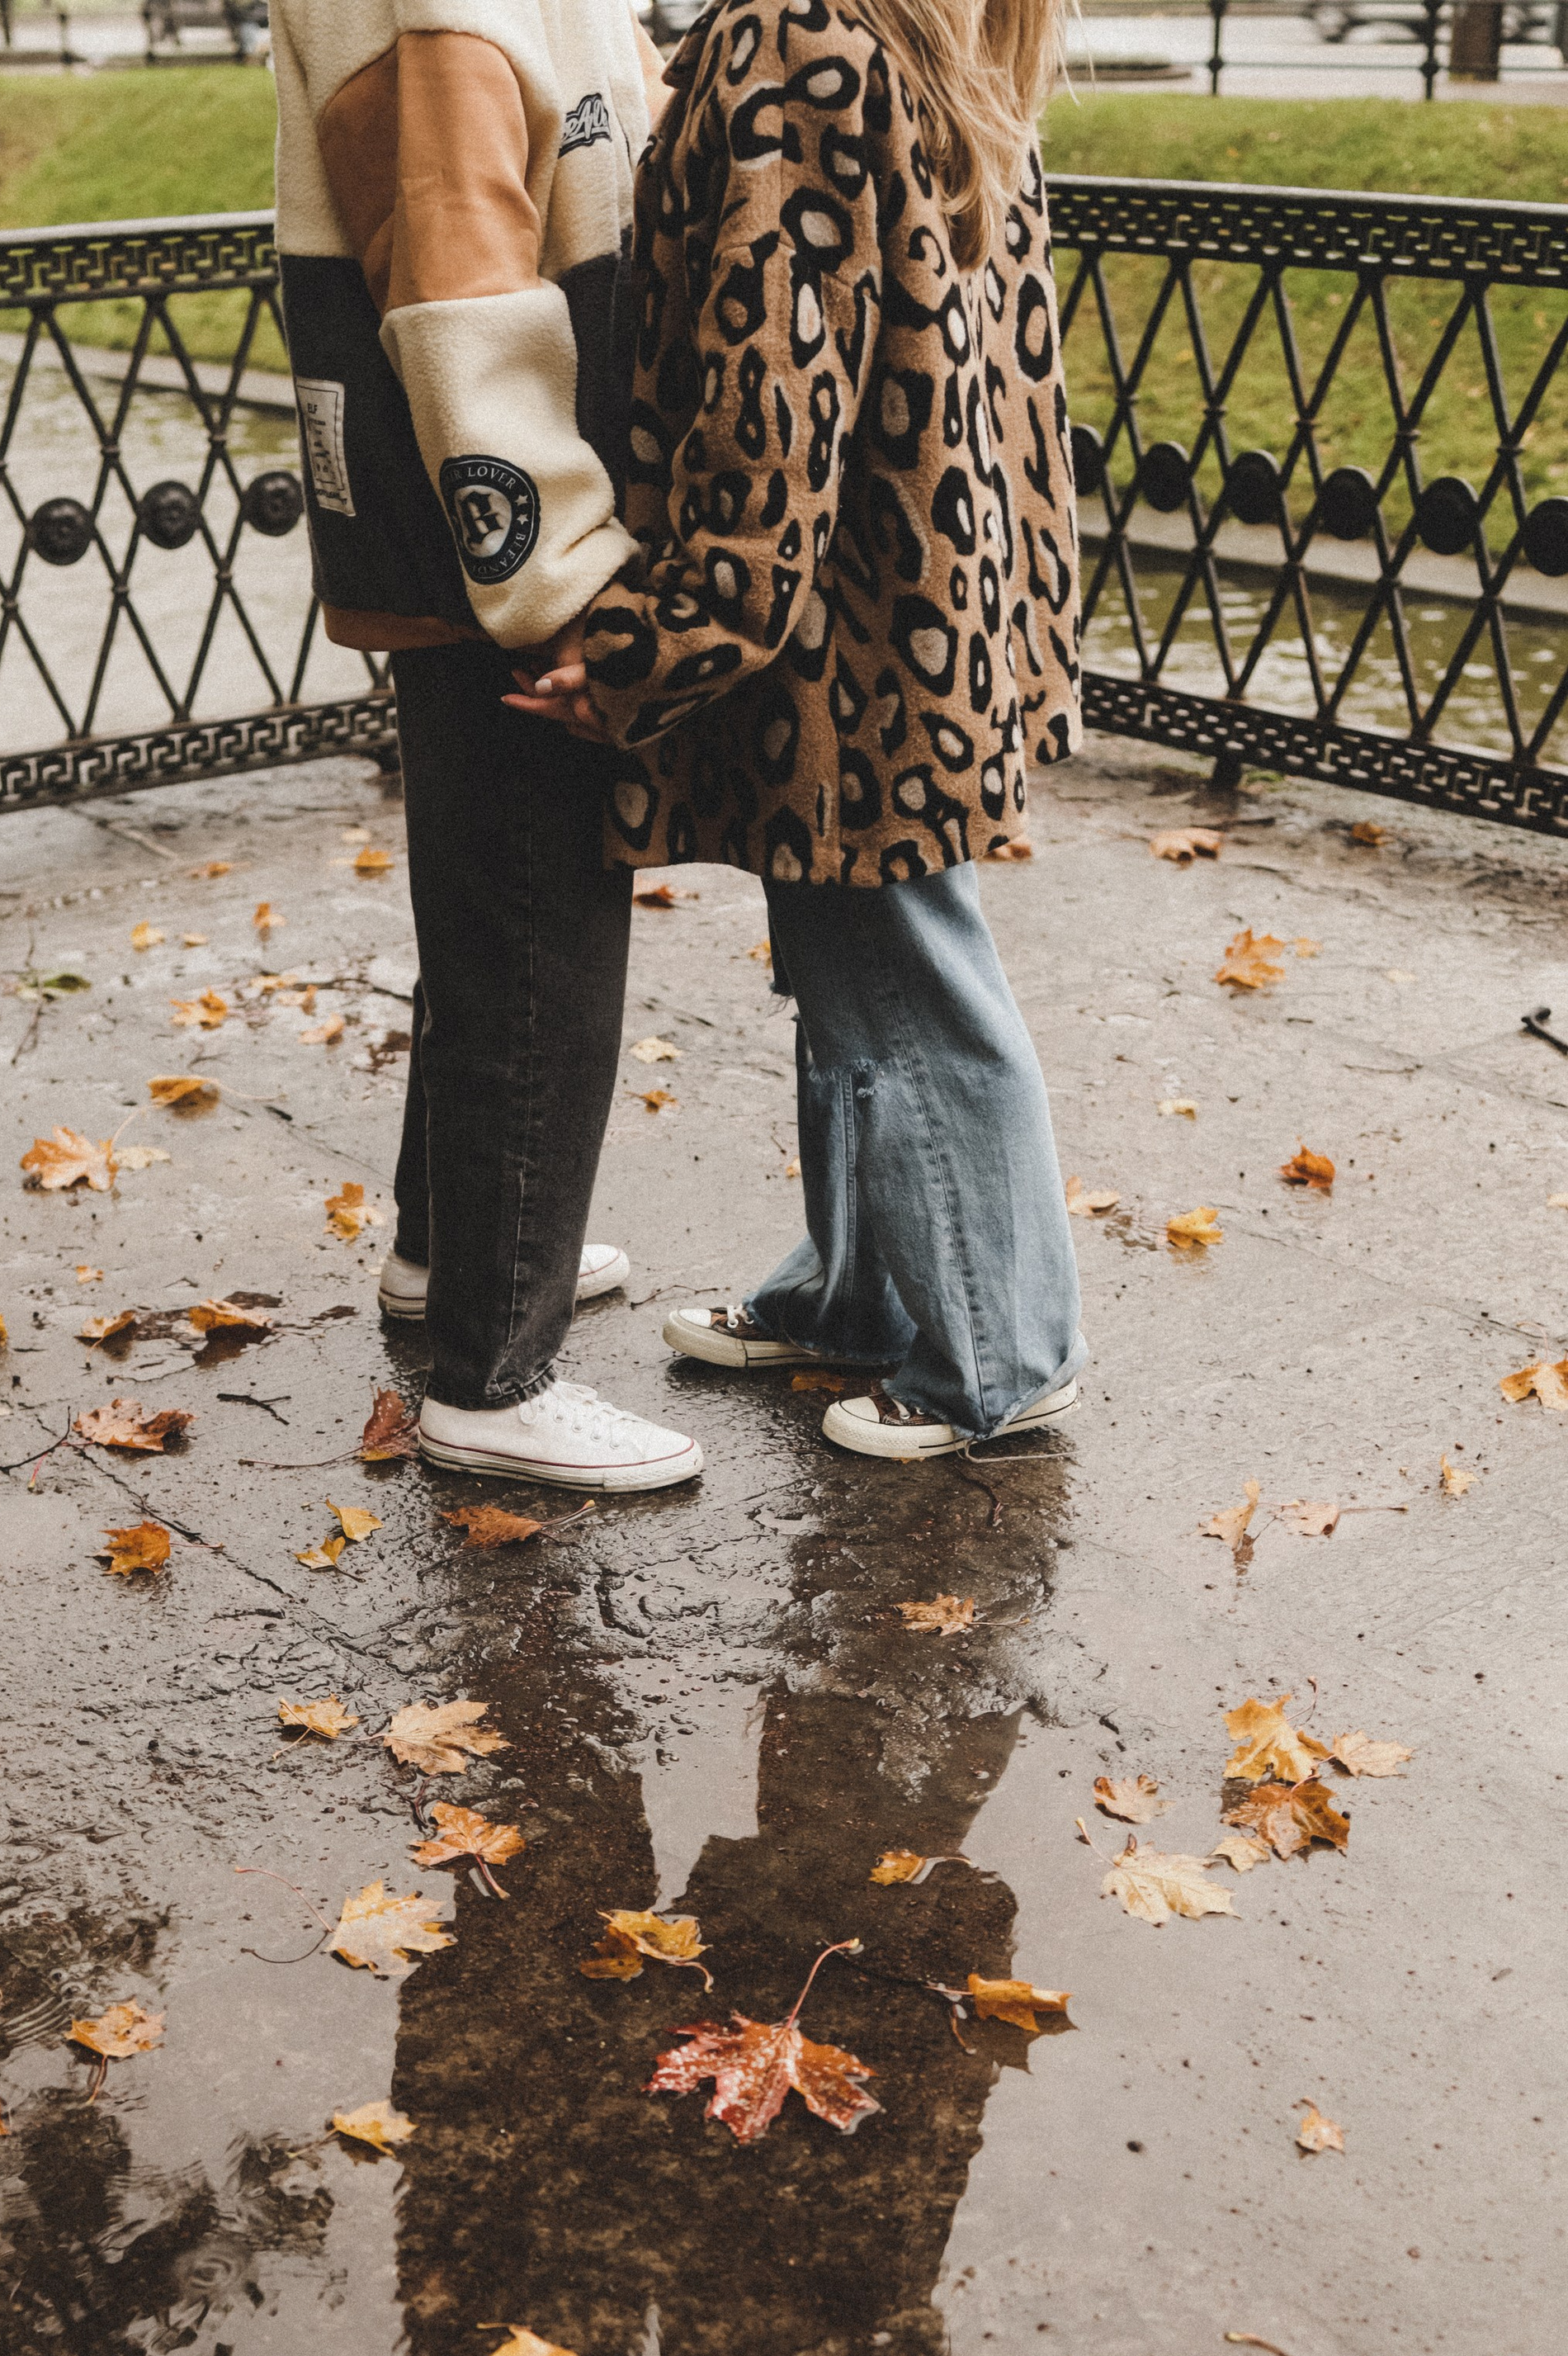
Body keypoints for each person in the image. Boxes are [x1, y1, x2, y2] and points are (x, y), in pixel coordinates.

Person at [510, 0, 1089, 1461]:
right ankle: (857, 1294)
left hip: (855, 633)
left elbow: (770, 411)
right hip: (926, 605)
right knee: (849, 972)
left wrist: (645, 650)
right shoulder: (928, 27)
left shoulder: (795, 34)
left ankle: (1001, 1360)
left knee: (907, 984)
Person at [268, 0, 703, 1492]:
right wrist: (564, 586)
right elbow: (462, 299)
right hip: (506, 570)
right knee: (536, 939)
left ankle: (444, 1251)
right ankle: (494, 1377)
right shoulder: (452, 12)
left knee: (481, 915)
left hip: (451, 544)